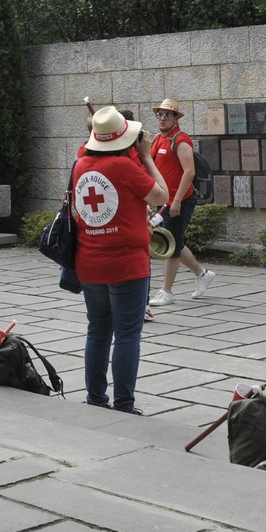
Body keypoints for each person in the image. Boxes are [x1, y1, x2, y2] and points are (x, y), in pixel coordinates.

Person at [74, 106, 169, 415]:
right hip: (127, 265)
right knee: (127, 334)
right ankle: (124, 405)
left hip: (89, 263)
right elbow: (161, 196)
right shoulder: (125, 167)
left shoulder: (80, 165)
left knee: (97, 331)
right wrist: (146, 156)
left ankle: (95, 398)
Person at [147, 99, 217, 304]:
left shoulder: (180, 140)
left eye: (167, 114)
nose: (162, 118)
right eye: (160, 114)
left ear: (176, 118)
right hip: (166, 201)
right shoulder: (159, 140)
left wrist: (176, 200)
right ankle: (202, 274)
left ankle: (166, 292)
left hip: (179, 202)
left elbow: (189, 172)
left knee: (172, 243)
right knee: (175, 240)